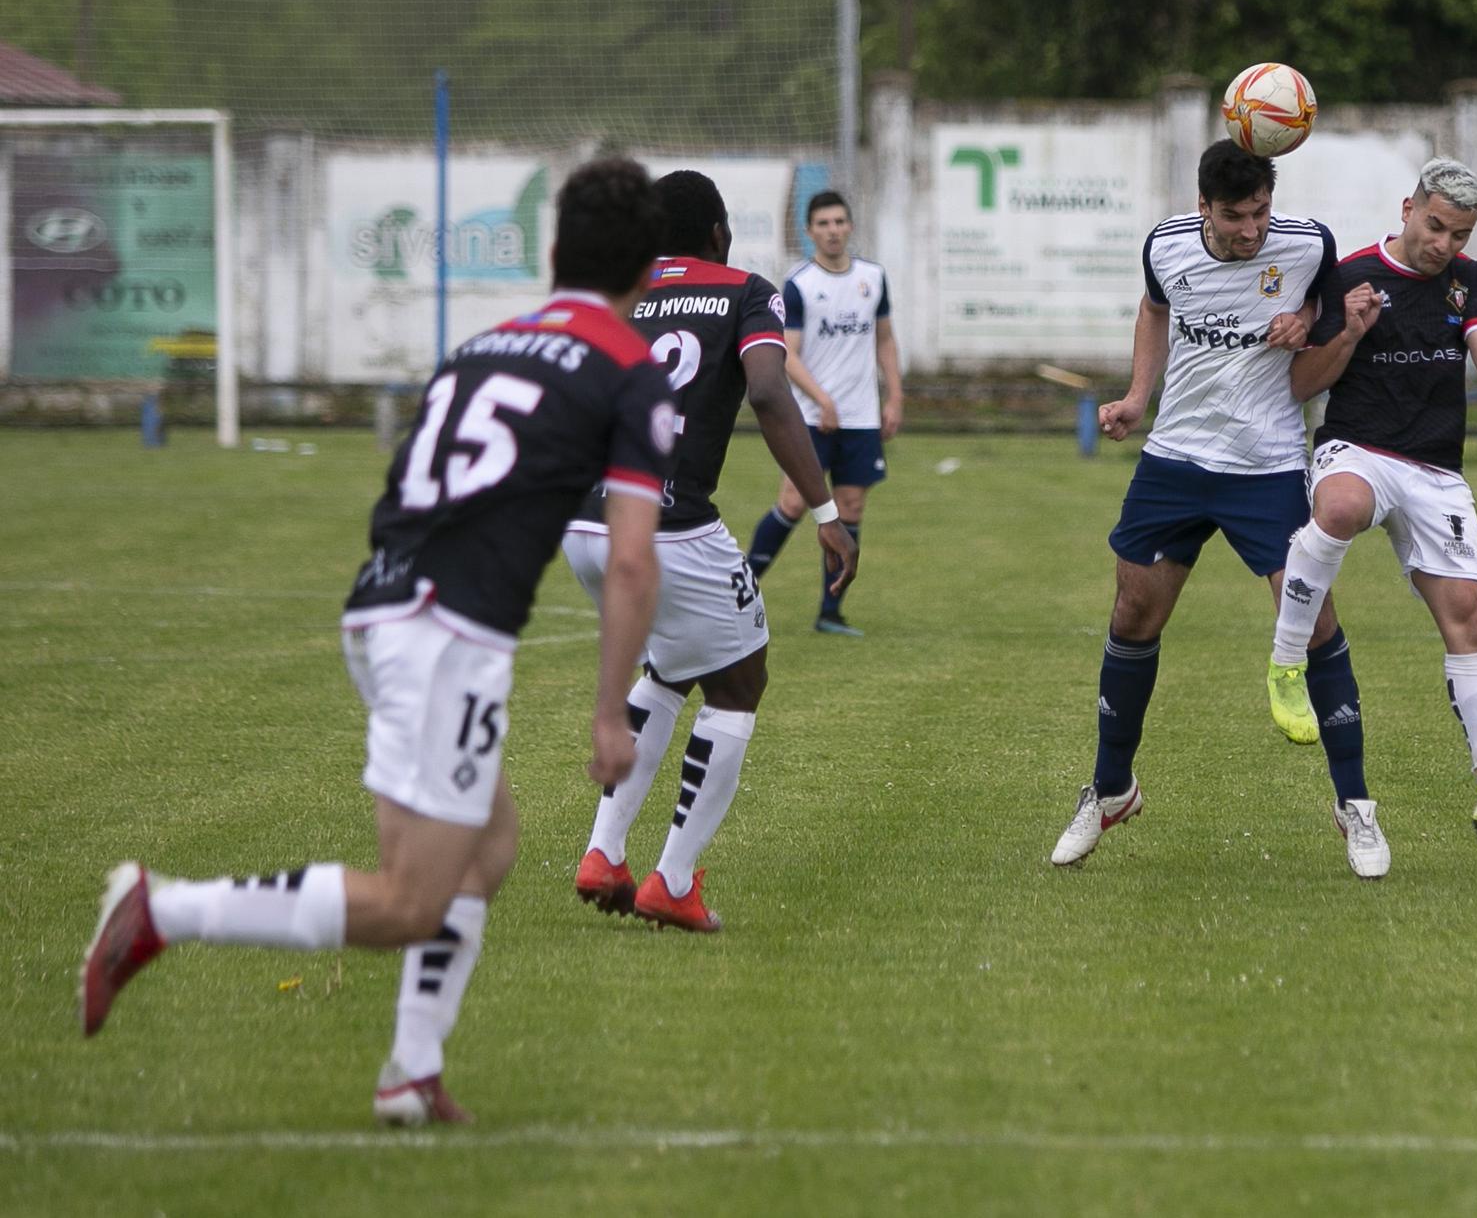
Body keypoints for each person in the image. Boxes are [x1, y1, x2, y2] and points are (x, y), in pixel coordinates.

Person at [78, 158, 679, 1125]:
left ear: (554, 252)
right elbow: (634, 565)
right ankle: (162, 909)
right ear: (648, 272)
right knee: (410, 899)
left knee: (487, 849)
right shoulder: (629, 374)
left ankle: (411, 1071)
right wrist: (612, 713)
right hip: (446, 634)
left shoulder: (486, 346)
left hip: (387, 604)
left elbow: (402, 487)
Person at [1051, 140, 1384, 875]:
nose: (1251, 230)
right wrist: (1138, 398)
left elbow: (1326, 324)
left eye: (1261, 211)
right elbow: (1153, 308)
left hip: (1265, 465)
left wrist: (1313, 319)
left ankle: (1355, 805)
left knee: (1314, 619)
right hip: (1174, 460)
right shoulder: (1165, 245)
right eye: (1235, 217)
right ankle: (1110, 791)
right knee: (1132, 614)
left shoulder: (1308, 244)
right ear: (1203, 207)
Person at [565, 170, 857, 932]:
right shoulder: (745, 290)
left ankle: (604, 853)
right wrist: (824, 509)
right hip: (668, 525)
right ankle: (673, 879)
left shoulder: (619, 292)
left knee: (670, 668)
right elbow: (768, 392)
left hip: (584, 520)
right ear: (719, 233)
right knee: (740, 681)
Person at [1268, 157, 1477, 866]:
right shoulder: (1348, 276)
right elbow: (1302, 381)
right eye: (1434, 227)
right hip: (1358, 446)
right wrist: (1350, 332)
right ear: (1407, 209)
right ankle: (1285, 664)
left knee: (1470, 616)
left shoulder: (1469, 281)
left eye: (1458, 235)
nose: (1443, 245)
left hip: (1434, 468)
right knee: (1338, 507)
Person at [745, 191, 902, 636]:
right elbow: (786, 355)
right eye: (823, 224)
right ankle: (737, 590)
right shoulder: (799, 284)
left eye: (839, 222)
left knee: (851, 506)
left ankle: (830, 611)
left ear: (850, 226)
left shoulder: (873, 277)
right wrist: (823, 399)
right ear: (809, 231)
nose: (833, 230)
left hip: (861, 417)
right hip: (812, 417)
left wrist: (894, 398)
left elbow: (885, 340)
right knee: (794, 502)